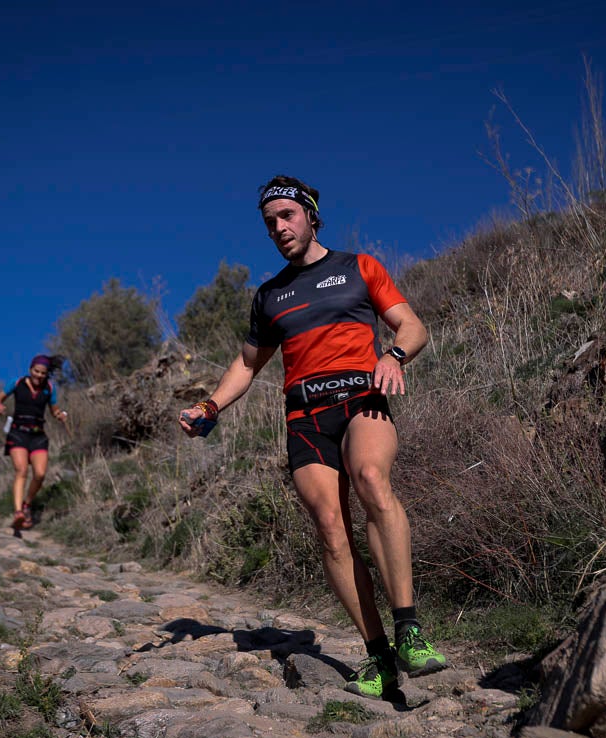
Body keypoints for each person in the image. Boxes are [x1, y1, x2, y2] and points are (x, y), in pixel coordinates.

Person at [179, 175, 446, 698]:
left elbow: (412, 326)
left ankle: (410, 629)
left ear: (311, 215)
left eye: (287, 216)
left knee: (371, 478)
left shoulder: (358, 267)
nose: (279, 228)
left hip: (360, 401)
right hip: (304, 418)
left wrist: (392, 357)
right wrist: (211, 404)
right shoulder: (270, 295)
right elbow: (246, 364)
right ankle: (378, 657)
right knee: (329, 528)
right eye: (270, 222)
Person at [0, 355, 68, 535]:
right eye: (36, 371)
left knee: (40, 474)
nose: (39, 375)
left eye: (43, 373)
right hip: (18, 432)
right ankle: (18, 513)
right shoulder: (17, 383)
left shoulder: (49, 389)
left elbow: (54, 409)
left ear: (47, 374)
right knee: (21, 470)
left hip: (38, 435)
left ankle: (27, 504)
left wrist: (59, 415)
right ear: (30, 369)